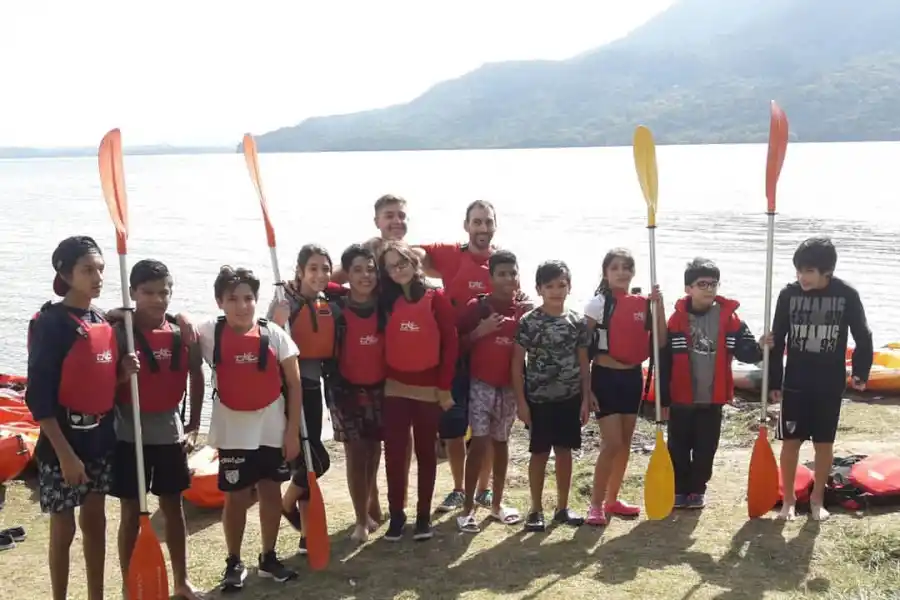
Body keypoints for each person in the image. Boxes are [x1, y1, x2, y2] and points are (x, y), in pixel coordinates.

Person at [25, 236, 136, 600]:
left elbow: (95, 383)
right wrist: (65, 456)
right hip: (62, 443)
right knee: (64, 529)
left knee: (95, 523)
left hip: (99, 439)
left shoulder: (100, 319)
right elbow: (38, 398)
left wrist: (122, 374)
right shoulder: (50, 324)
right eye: (88, 270)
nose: (98, 277)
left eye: (100, 269)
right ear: (65, 274)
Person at [197, 266, 302, 590]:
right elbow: (177, 328)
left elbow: (295, 384)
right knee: (236, 497)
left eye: (248, 298)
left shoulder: (275, 334)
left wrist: (292, 432)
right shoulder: (208, 332)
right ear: (219, 301)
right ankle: (234, 561)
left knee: (271, 492)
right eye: (232, 299)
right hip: (233, 430)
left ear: (256, 300)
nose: (242, 306)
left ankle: (268, 557)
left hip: (271, 427)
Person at [110, 259, 205, 599]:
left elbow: (196, 374)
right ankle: (129, 585)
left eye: (163, 292)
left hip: (168, 432)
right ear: (133, 293)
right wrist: (121, 374)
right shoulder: (119, 332)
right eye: (148, 293)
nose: (157, 299)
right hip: (128, 435)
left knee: (172, 508)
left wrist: (194, 424)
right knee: (131, 513)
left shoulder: (182, 332)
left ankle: (181, 581)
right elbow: (103, 385)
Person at [769, 238, 872, 521]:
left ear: (827, 272)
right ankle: (788, 500)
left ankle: (817, 500)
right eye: (798, 270)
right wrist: (774, 381)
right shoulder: (788, 295)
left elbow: (863, 335)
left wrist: (860, 373)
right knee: (790, 442)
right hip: (795, 382)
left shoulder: (846, 294)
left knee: (824, 444)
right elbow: (778, 339)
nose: (802, 277)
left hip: (829, 382)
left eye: (809, 271)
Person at [659, 257, 767, 511]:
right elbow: (664, 361)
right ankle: (679, 488)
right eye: (702, 284)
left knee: (706, 448)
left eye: (713, 284)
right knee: (678, 447)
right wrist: (663, 398)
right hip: (682, 398)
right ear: (688, 288)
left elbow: (747, 353)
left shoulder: (730, 319)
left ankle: (698, 489)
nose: (709, 289)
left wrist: (762, 346)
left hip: (713, 398)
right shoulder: (675, 320)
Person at [413, 200, 497, 513]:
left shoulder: (500, 260)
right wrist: (422, 278)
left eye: (488, 222)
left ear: (495, 226)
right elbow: (411, 253)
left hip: (488, 356)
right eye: (477, 222)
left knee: (486, 425)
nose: (483, 228)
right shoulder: (451, 253)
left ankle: (484, 489)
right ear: (466, 225)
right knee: (453, 426)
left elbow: (513, 297)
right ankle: (460, 489)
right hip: (455, 354)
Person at [378, 241, 459, 541]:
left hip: (428, 388)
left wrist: (444, 387)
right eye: (391, 266)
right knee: (394, 454)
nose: (398, 270)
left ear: (414, 263)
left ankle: (423, 517)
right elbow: (346, 288)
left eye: (402, 263)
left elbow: (451, 344)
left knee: (426, 453)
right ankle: (396, 516)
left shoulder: (435, 297)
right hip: (394, 387)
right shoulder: (385, 298)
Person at [583, 248, 665, 526]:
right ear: (605, 273)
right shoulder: (597, 304)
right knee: (612, 444)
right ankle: (595, 504)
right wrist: (586, 390)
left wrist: (659, 306)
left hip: (632, 379)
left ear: (633, 272)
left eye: (626, 267)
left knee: (625, 444)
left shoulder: (643, 303)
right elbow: (582, 349)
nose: (621, 272)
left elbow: (660, 341)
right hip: (605, 378)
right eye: (615, 267)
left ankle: (612, 500)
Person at [512, 260, 593, 532]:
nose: (556, 291)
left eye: (561, 285)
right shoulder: (529, 322)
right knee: (539, 453)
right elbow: (516, 365)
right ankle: (535, 509)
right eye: (549, 286)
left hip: (569, 398)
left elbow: (584, 363)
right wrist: (521, 402)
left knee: (564, 452)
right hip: (539, 400)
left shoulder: (577, 321)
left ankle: (562, 507)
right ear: (539, 289)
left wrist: (585, 399)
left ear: (569, 287)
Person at [454, 250, 531, 532]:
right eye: (502, 274)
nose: (508, 278)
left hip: (509, 387)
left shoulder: (524, 310)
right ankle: (467, 510)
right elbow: (455, 343)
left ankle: (497, 505)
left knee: (501, 443)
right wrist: (480, 331)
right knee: (479, 444)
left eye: (513, 273)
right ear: (490, 277)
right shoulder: (477, 307)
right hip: (481, 384)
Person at [269, 244, 336, 554]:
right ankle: (286, 504)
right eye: (313, 268)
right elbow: (266, 341)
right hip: (291, 388)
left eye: (325, 268)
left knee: (307, 464)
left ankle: (307, 537)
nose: (320, 274)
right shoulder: (284, 300)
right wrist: (276, 320)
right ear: (300, 271)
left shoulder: (323, 299)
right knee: (315, 461)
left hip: (313, 386)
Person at [322, 244, 385, 543]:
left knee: (374, 450)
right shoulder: (335, 305)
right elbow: (311, 285)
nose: (365, 276)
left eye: (370, 269)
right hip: (344, 389)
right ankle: (360, 519)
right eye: (357, 270)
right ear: (346, 274)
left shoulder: (385, 303)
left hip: (379, 388)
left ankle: (370, 504)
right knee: (356, 452)